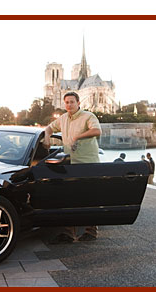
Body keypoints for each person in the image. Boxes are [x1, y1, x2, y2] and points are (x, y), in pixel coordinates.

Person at [44, 91, 102, 243]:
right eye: (67, 102)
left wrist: (77, 137)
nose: (69, 105)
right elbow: (48, 128)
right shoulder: (62, 118)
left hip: (87, 163)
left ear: (78, 103)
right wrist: (46, 137)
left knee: (89, 198)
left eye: (72, 102)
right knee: (70, 198)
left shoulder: (88, 116)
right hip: (70, 163)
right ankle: (69, 233)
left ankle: (91, 231)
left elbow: (97, 131)